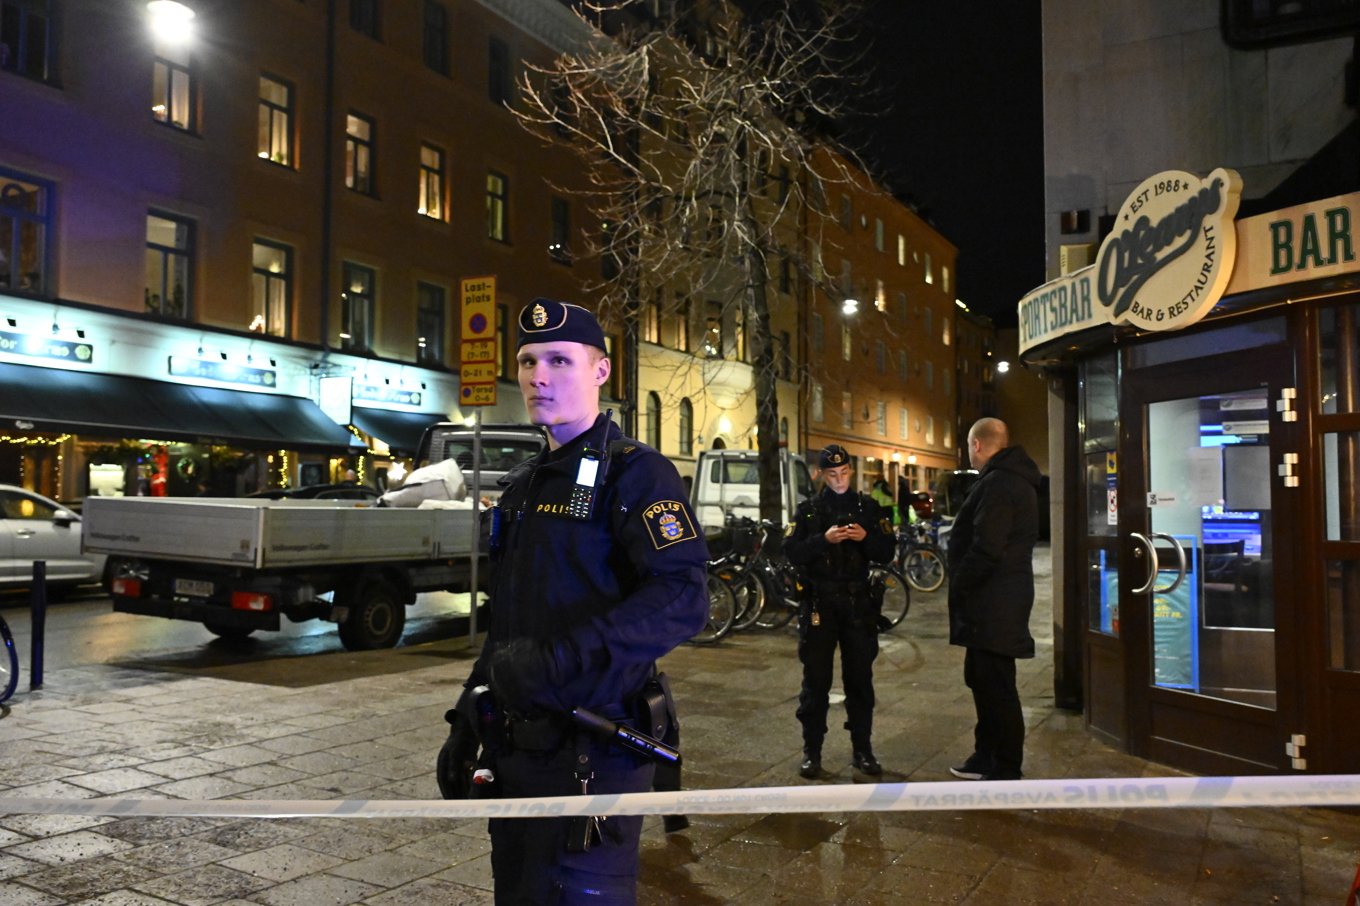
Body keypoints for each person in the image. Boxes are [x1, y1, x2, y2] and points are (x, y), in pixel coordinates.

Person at [456, 298, 708, 905]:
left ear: (601, 371)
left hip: (593, 751)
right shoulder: (524, 485)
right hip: (518, 751)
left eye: (560, 360)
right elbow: (509, 615)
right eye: (528, 361)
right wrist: (469, 709)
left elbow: (683, 596)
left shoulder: (637, 475)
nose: (538, 376)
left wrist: (562, 659)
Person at [784, 445, 896, 779]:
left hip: (857, 604)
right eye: (832, 474)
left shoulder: (868, 507)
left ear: (851, 471)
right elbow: (790, 550)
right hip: (820, 604)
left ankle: (863, 750)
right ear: (821, 474)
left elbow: (887, 551)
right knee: (816, 681)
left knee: (860, 679)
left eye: (844, 472)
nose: (839, 480)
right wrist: (824, 540)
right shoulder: (809, 511)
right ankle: (812, 752)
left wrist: (864, 538)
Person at [947, 417, 1042, 782]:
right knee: (983, 681)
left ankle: (1004, 767)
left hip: (994, 602)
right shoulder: (1009, 479)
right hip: (996, 601)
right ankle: (985, 756)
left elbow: (987, 547)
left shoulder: (1000, 483)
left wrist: (960, 585)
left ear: (977, 445)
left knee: (997, 686)